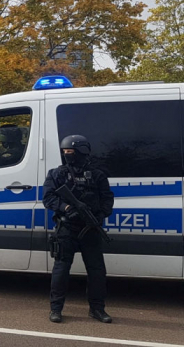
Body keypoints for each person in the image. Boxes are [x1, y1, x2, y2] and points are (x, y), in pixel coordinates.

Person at [43, 135, 114, 323]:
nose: (67, 155)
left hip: (90, 229)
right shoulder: (57, 174)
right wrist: (66, 208)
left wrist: (101, 215)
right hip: (66, 227)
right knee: (61, 269)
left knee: (97, 270)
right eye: (65, 152)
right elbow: (48, 198)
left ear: (82, 152)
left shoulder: (97, 175)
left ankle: (97, 309)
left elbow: (107, 198)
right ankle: (55, 309)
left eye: (70, 152)